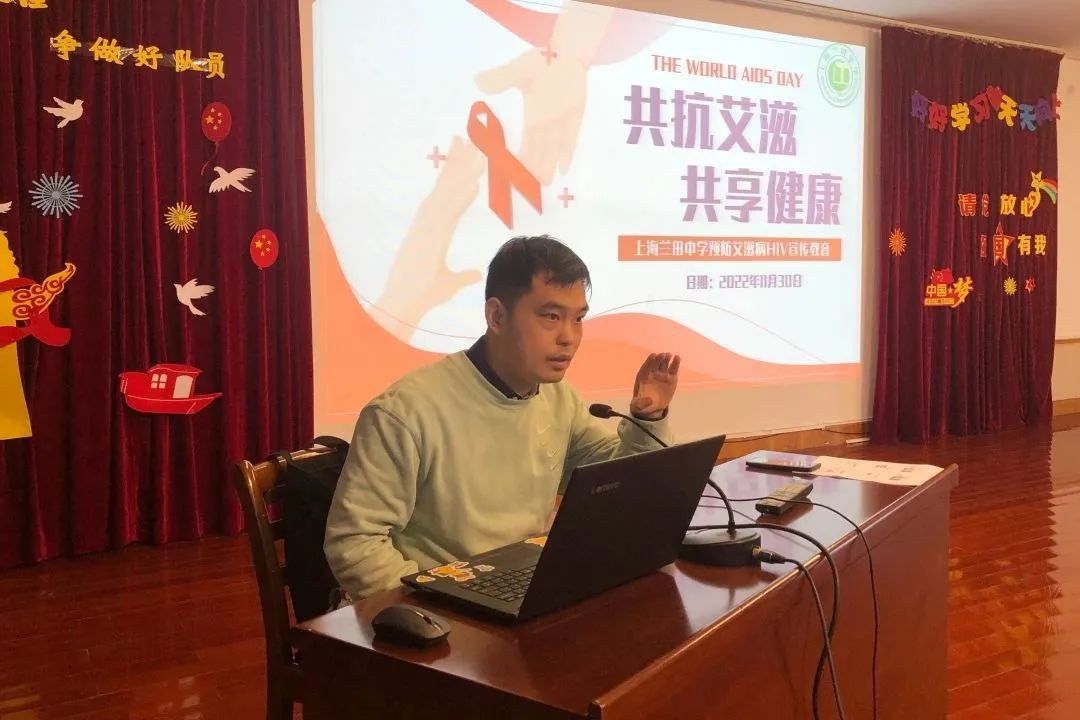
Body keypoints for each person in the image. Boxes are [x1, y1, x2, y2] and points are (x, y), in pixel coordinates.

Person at [324, 234, 681, 598]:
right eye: (551, 316)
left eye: (578, 319)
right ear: (496, 316)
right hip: (438, 606)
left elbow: (623, 483)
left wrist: (647, 418)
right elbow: (354, 543)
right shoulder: (404, 411)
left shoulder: (559, 399)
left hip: (520, 591)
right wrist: (434, 608)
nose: (569, 337)